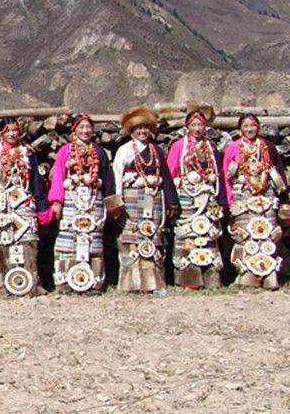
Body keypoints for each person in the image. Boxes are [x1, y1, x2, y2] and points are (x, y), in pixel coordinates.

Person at [48, 113, 119, 293]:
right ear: (74, 130)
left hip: (94, 200)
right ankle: (65, 282)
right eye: (81, 127)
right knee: (68, 240)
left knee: (93, 239)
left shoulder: (99, 152)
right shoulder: (65, 151)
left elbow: (107, 179)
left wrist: (112, 204)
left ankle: (94, 283)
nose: (85, 131)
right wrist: (56, 201)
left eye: (88, 127)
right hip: (71, 199)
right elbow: (58, 176)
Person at [111, 106, 178, 294]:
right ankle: (130, 283)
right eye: (139, 128)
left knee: (153, 236)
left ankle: (154, 282)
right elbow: (117, 175)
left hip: (154, 198)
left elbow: (165, 176)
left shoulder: (156, 151)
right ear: (131, 130)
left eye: (146, 128)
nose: (142, 132)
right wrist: (117, 203)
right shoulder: (124, 150)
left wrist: (171, 201)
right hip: (131, 199)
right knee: (131, 237)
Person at [0, 117, 52, 296]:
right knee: (3, 241)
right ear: (1, 133)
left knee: (28, 241)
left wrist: (42, 206)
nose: (12, 134)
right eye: (7, 131)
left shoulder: (27, 152)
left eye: (14, 130)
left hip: (25, 200)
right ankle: (6, 284)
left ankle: (31, 284)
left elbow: (36, 181)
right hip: (3, 201)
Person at [166, 105, 228, 289]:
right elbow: (170, 171)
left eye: (200, 125)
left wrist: (220, 198)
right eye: (193, 125)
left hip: (207, 195)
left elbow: (219, 173)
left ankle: (210, 276)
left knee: (208, 233)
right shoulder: (179, 146)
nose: (197, 128)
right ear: (187, 126)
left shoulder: (211, 147)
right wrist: (171, 198)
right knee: (187, 233)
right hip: (186, 194)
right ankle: (188, 277)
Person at [222, 113, 286, 288]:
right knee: (245, 235)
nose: (250, 129)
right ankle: (247, 275)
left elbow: (279, 171)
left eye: (253, 125)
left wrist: (283, 199)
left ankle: (269, 274)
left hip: (266, 197)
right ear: (240, 129)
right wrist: (229, 200)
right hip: (243, 197)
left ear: (258, 127)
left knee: (268, 235)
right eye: (246, 126)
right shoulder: (234, 148)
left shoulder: (267, 147)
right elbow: (226, 176)